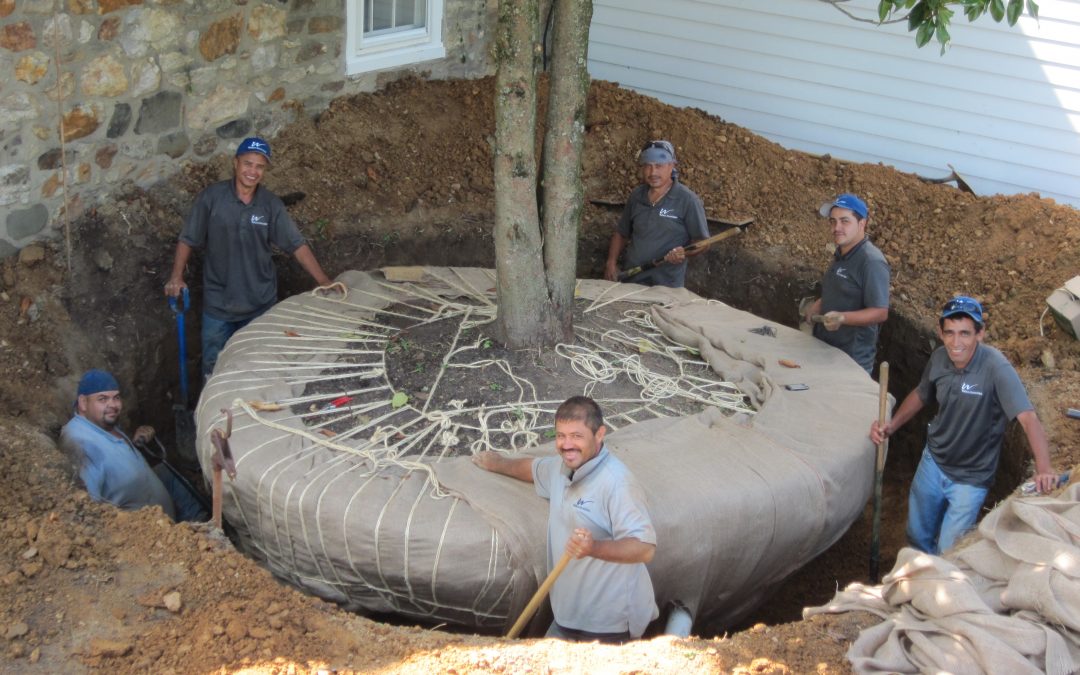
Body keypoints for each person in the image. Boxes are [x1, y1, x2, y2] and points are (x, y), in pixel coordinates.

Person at [870, 296, 1057, 555]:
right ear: (940, 333)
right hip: (933, 463)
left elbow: (1028, 418)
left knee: (950, 550)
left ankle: (939, 585)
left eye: (965, 334)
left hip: (971, 478)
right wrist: (891, 425)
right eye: (950, 333)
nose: (956, 343)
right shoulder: (939, 359)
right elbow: (922, 394)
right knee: (916, 536)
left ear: (980, 334)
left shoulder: (996, 368)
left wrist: (1044, 468)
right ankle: (918, 582)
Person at [473, 396, 658, 642]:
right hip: (566, 615)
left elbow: (644, 549)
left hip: (609, 623)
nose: (566, 444)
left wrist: (594, 548)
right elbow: (531, 468)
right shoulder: (560, 469)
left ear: (599, 434)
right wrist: (498, 463)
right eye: (561, 435)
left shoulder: (617, 483)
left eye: (577, 436)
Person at [164, 137, 335, 379]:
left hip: (259, 305)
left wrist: (323, 280)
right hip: (218, 306)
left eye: (259, 166)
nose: (252, 171)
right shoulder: (212, 199)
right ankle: (212, 416)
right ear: (235, 163)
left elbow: (296, 245)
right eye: (248, 164)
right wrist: (176, 277)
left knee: (258, 370)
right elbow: (188, 238)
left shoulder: (270, 205)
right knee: (214, 371)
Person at [59, 370, 207, 522]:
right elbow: (89, 508)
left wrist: (134, 442)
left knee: (167, 473)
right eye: (102, 399)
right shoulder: (79, 444)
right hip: (148, 533)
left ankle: (202, 520)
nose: (113, 405)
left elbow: (110, 455)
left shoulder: (100, 424)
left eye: (116, 397)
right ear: (83, 402)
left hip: (160, 511)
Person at [802, 193, 890, 374]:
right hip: (826, 350)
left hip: (851, 361)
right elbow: (841, 289)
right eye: (833, 221)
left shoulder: (871, 262)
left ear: (862, 223)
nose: (837, 227)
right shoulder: (842, 253)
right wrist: (819, 304)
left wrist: (843, 318)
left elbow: (880, 312)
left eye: (844, 221)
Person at [603, 140, 709, 288]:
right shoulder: (637, 196)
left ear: (671, 166)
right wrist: (611, 262)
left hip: (666, 286)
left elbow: (702, 242)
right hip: (632, 281)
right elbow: (622, 233)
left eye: (659, 166)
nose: (653, 173)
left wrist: (683, 252)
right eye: (648, 166)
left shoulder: (687, 200)